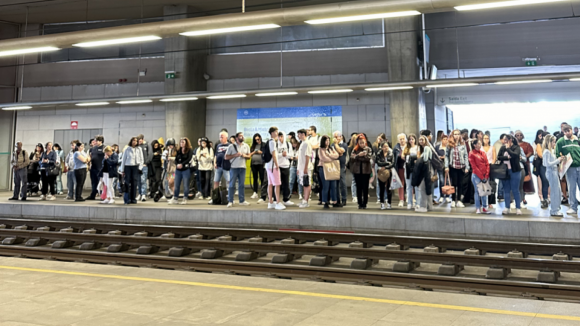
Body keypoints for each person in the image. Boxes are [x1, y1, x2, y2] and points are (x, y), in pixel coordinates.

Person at [555, 124, 580, 216]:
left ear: (572, 130)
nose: (567, 133)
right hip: (570, 168)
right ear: (563, 132)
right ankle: (573, 207)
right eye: (565, 131)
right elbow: (557, 153)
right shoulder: (561, 141)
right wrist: (561, 158)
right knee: (572, 188)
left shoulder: (578, 139)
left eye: (569, 130)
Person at [497, 135, 523, 215]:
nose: (504, 141)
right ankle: (507, 207)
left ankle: (518, 208)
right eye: (504, 139)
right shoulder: (502, 148)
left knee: (515, 190)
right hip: (505, 171)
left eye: (506, 139)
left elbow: (515, 155)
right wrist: (506, 158)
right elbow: (499, 157)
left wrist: (508, 149)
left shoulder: (516, 147)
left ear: (510, 140)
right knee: (506, 190)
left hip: (515, 171)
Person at [225, 132, 251, 207]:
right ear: (236, 138)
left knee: (241, 185)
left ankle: (242, 200)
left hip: (243, 167)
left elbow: (249, 156)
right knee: (231, 185)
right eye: (240, 136)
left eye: (243, 136)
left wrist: (244, 155)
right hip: (234, 168)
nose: (242, 137)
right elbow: (226, 157)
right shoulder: (231, 146)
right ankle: (230, 200)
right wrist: (235, 155)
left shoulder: (246, 146)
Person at [445, 129, 469, 208]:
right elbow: (446, 156)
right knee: (454, 184)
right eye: (455, 134)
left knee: (460, 184)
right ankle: (453, 200)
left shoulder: (463, 144)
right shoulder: (449, 144)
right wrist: (446, 166)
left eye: (458, 134)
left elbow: (466, 155)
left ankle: (459, 200)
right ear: (452, 135)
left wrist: (467, 166)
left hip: (461, 166)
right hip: (453, 166)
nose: (457, 136)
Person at [543, 134, 564, 217]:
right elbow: (546, 164)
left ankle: (557, 208)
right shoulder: (546, 152)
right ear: (549, 142)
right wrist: (558, 161)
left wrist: (560, 159)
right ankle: (554, 210)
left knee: (558, 191)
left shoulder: (551, 151)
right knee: (555, 192)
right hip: (551, 172)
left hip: (554, 172)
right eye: (554, 142)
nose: (554, 144)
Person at [469, 139, 491, 214]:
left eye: (480, 143)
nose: (479, 144)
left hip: (485, 175)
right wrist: (482, 176)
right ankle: (478, 207)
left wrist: (487, 174)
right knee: (477, 191)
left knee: (484, 191)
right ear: (474, 145)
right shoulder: (472, 153)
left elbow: (487, 164)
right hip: (476, 175)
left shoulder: (483, 153)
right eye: (478, 143)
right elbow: (474, 167)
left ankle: (485, 207)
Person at [169, 138, 193, 205]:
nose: (181, 143)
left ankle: (185, 198)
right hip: (178, 170)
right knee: (176, 184)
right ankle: (175, 198)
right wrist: (177, 164)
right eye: (181, 142)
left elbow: (189, 158)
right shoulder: (178, 150)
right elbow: (176, 159)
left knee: (186, 185)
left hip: (186, 169)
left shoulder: (189, 150)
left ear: (186, 143)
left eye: (183, 142)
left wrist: (182, 164)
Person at [266, 126, 285, 210]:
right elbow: (273, 154)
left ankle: (270, 202)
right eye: (276, 132)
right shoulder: (273, 142)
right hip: (273, 166)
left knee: (270, 184)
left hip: (268, 166)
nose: (277, 133)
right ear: (272, 133)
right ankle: (277, 202)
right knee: (277, 184)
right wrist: (277, 165)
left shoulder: (268, 141)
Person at [318, 135, 340, 209]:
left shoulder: (331, 148)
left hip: (331, 168)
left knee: (333, 185)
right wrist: (332, 158)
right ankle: (325, 201)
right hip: (323, 168)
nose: (327, 142)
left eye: (328, 140)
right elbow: (323, 158)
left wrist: (329, 155)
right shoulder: (321, 149)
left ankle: (334, 201)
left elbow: (337, 155)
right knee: (326, 186)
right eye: (326, 140)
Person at [350, 134, 372, 209]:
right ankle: (359, 203)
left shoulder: (368, 149)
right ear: (358, 143)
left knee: (365, 187)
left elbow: (368, 159)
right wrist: (359, 155)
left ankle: (365, 203)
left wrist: (361, 156)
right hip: (357, 171)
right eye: (360, 143)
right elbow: (352, 158)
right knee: (358, 187)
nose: (362, 144)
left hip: (366, 171)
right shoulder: (355, 149)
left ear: (365, 142)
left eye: (363, 142)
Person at [120, 137, 144, 205]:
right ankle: (127, 199)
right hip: (127, 166)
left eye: (136, 141)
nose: (134, 142)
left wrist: (140, 167)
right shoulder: (127, 149)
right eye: (133, 141)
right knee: (127, 182)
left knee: (134, 183)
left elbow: (141, 159)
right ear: (131, 141)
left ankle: (133, 199)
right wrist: (122, 170)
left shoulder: (139, 149)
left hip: (135, 167)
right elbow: (123, 160)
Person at [414, 136, 433, 213]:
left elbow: (425, 160)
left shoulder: (426, 148)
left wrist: (418, 161)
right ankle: (429, 206)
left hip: (425, 172)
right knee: (427, 188)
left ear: (426, 140)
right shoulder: (426, 148)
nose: (421, 141)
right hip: (428, 171)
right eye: (420, 139)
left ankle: (423, 206)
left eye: (422, 139)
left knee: (422, 189)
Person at [515, 130, 535, 200]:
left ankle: (523, 197)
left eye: (520, 135)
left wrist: (524, 157)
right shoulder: (514, 145)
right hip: (516, 165)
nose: (519, 136)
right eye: (517, 135)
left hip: (525, 164)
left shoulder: (526, 144)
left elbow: (531, 152)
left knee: (525, 181)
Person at [277, 131, 294, 206]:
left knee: (286, 183)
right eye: (279, 136)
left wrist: (285, 155)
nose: (280, 138)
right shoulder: (275, 144)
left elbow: (291, 155)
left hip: (286, 166)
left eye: (281, 136)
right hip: (277, 166)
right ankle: (275, 199)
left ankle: (286, 199)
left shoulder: (288, 144)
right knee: (277, 184)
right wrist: (281, 154)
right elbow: (274, 155)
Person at [375, 141, 394, 210]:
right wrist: (387, 163)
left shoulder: (391, 153)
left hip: (389, 171)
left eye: (387, 146)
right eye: (384, 147)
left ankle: (389, 203)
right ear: (382, 147)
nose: (386, 148)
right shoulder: (379, 153)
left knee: (389, 188)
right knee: (381, 188)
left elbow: (392, 163)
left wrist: (386, 167)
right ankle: (382, 203)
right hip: (381, 172)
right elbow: (378, 162)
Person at [296, 129, 313, 208]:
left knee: (307, 183)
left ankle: (306, 201)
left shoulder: (307, 143)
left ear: (303, 134)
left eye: (299, 134)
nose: (298, 136)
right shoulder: (302, 143)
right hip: (301, 167)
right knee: (303, 183)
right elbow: (300, 157)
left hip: (306, 167)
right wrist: (299, 168)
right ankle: (304, 200)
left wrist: (305, 167)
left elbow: (307, 156)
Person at [213, 131, 231, 199]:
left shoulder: (229, 145)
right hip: (218, 166)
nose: (220, 138)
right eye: (220, 136)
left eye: (222, 136)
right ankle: (215, 197)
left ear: (226, 137)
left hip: (226, 166)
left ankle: (229, 197)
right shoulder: (218, 145)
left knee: (229, 181)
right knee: (216, 181)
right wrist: (214, 163)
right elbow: (216, 155)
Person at [533, 130, 549, 208]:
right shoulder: (539, 144)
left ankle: (548, 197)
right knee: (544, 181)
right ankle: (544, 198)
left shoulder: (551, 144)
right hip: (542, 165)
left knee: (549, 182)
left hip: (550, 165)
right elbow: (540, 155)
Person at [403, 134, 419, 209]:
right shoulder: (406, 148)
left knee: (416, 186)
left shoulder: (417, 148)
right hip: (408, 168)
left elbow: (419, 157)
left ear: (415, 140)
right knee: (409, 186)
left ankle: (417, 202)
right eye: (410, 139)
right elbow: (403, 157)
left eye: (412, 139)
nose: (411, 141)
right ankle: (409, 202)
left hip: (415, 168)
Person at [333, 131, 348, 206]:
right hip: (334, 166)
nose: (335, 139)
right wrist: (338, 152)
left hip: (341, 165)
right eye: (334, 137)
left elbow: (340, 152)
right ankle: (337, 199)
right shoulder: (332, 145)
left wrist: (336, 146)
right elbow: (335, 154)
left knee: (343, 183)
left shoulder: (344, 144)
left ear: (340, 136)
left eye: (336, 137)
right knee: (335, 184)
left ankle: (344, 198)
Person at [87, 135, 104, 200]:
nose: (95, 142)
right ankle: (93, 195)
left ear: (101, 141)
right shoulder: (93, 148)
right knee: (94, 182)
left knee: (101, 183)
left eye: (96, 141)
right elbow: (91, 157)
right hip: (93, 168)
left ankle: (102, 195)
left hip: (100, 168)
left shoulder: (103, 148)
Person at [482, 134, 496, 208]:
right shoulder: (481, 148)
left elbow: (494, 157)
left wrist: (492, 164)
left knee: (491, 184)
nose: (486, 140)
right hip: (482, 167)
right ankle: (483, 202)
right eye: (485, 138)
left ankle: (490, 202)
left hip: (490, 166)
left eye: (487, 138)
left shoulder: (492, 147)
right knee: (482, 185)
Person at [434, 134, 450, 203]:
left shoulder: (449, 147)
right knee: (441, 180)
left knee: (447, 181)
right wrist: (440, 157)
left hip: (447, 166)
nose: (445, 141)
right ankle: (441, 195)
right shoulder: (437, 147)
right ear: (441, 140)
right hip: (440, 165)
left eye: (446, 139)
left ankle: (447, 196)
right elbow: (435, 156)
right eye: (444, 139)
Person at [393, 134, 407, 207]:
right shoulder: (396, 148)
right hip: (400, 168)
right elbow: (394, 159)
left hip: (408, 168)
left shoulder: (409, 147)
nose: (402, 140)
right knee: (401, 183)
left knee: (409, 183)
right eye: (400, 139)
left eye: (403, 139)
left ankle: (410, 197)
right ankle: (401, 199)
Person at [249, 133, 264, 200]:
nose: (257, 141)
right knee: (255, 178)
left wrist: (260, 152)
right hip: (254, 164)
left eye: (258, 139)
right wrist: (255, 152)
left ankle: (263, 193)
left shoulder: (263, 144)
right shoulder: (253, 145)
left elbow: (265, 152)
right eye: (255, 140)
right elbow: (250, 154)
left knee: (262, 178)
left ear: (260, 138)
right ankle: (255, 192)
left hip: (261, 164)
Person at [137, 134, 152, 202]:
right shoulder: (137, 146)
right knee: (138, 180)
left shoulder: (147, 145)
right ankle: (140, 193)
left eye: (140, 141)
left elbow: (150, 154)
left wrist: (146, 163)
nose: (139, 142)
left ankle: (143, 194)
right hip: (138, 165)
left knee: (143, 180)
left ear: (143, 139)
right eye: (138, 141)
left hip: (144, 165)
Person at [347, 133, 359, 203]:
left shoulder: (359, 147)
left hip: (359, 166)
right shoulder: (350, 148)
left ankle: (357, 195)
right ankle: (354, 196)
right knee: (354, 181)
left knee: (358, 181)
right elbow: (350, 158)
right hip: (353, 166)